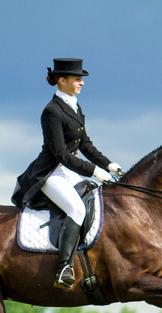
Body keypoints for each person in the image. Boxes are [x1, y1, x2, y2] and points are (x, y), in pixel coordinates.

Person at [12, 58, 122, 289]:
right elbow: (61, 154)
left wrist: (109, 165)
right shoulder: (51, 111)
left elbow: (86, 145)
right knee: (77, 208)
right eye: (77, 79)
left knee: (98, 202)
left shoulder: (74, 105)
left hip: (69, 171)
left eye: (82, 79)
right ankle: (64, 267)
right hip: (50, 173)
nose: (82, 83)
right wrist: (93, 170)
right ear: (62, 81)